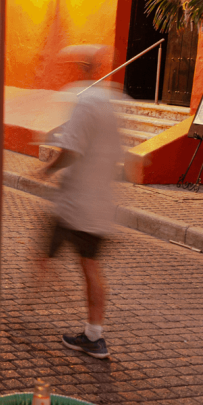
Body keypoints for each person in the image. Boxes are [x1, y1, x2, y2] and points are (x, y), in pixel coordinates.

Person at [39, 45, 123, 360]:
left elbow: (71, 150)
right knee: (91, 266)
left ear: (81, 67)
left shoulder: (85, 101)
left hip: (77, 201)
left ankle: (31, 301)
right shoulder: (110, 100)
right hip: (99, 201)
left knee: (55, 254)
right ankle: (94, 333)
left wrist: (46, 169)